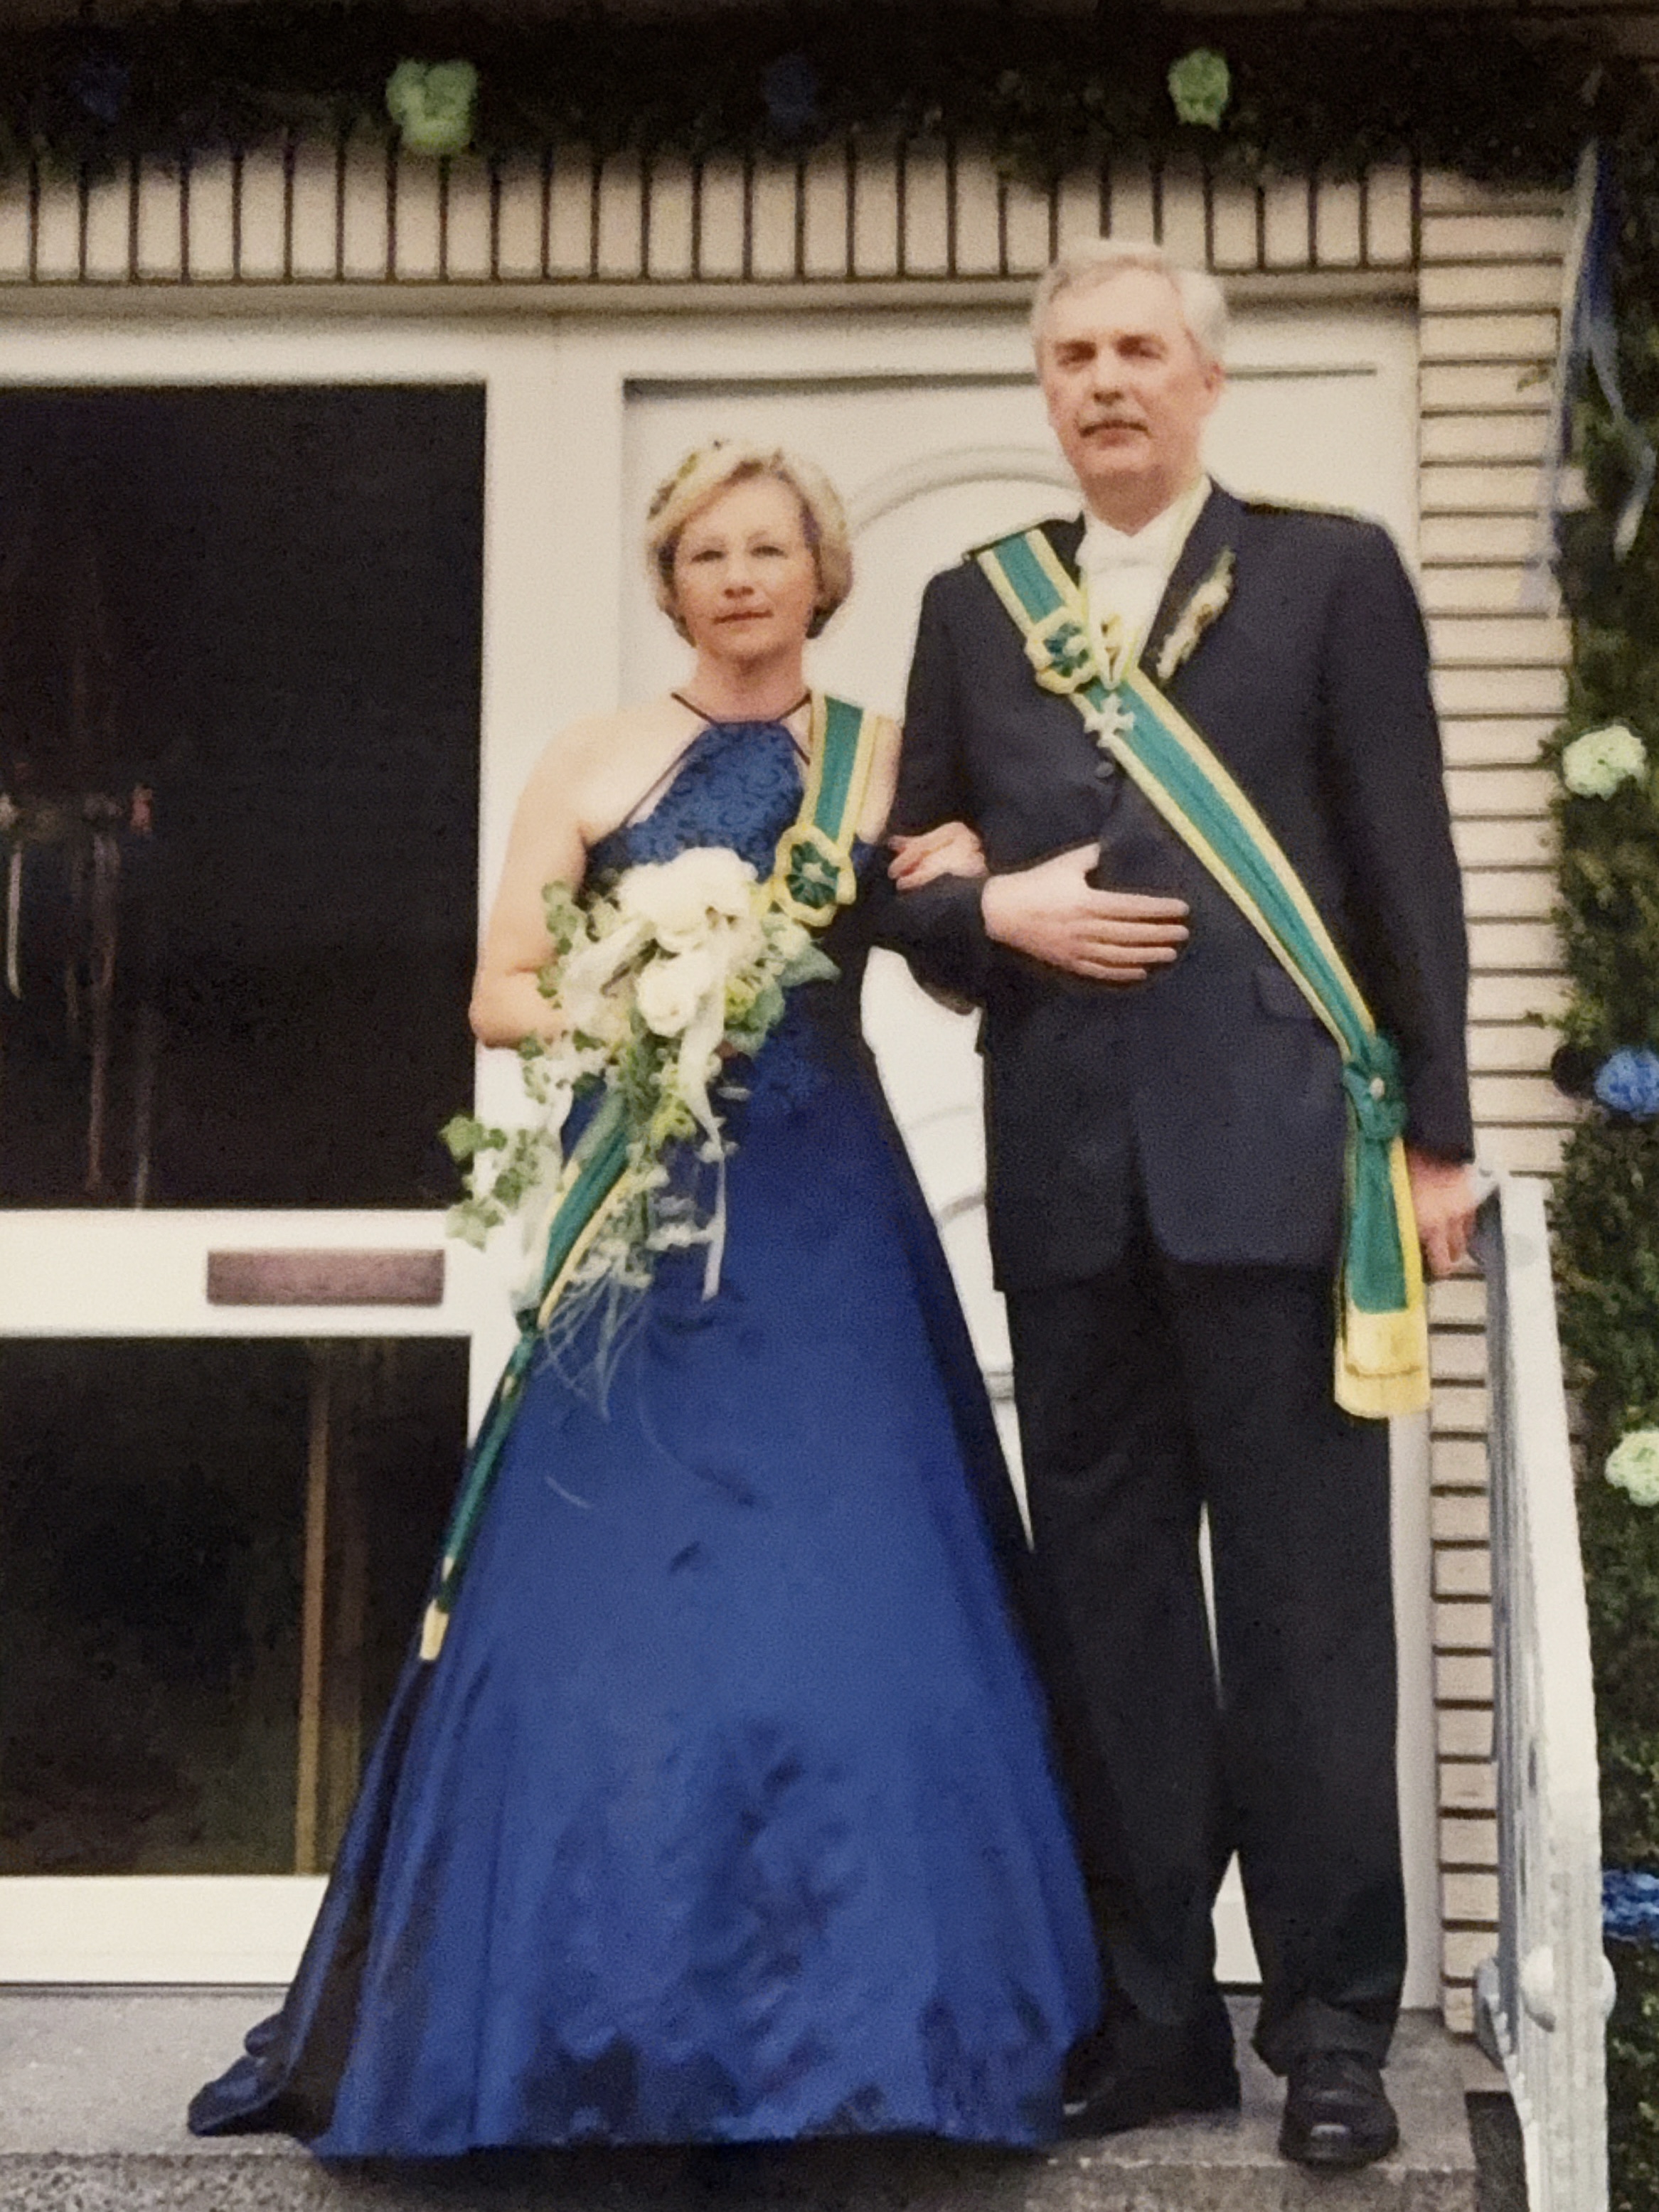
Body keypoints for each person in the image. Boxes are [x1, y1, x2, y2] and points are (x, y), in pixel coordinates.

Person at [187, 442, 1099, 2156]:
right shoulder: (593, 757)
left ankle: (883, 2037)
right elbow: (501, 992)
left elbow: (961, 963)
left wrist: (973, 878)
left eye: (769, 550)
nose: (740, 577)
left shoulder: (889, 760)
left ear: (822, 575)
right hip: (642, 1213)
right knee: (603, 1600)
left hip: (827, 1209)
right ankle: (573, 2030)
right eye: (705, 553)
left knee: (852, 1584)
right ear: (668, 582)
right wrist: (647, 992)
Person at [875, 240, 1477, 2171]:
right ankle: (1153, 2015)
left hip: (1274, 1164)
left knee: (1306, 1616)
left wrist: (1438, 1134)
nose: (1105, 381)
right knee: (1111, 1613)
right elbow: (903, 888)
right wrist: (995, 911)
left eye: (1140, 349)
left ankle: (1330, 2026)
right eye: (1072, 356)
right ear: (1043, 391)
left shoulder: (1328, 573)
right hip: (1064, 1182)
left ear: (1207, 381)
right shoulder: (975, 605)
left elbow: (1404, 857)